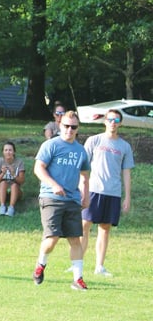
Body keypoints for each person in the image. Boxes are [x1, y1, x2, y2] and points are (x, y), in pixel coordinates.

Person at [32, 110, 91, 290]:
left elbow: (84, 176)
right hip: (51, 197)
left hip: (72, 199)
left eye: (73, 127)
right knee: (52, 238)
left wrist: (86, 195)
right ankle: (40, 265)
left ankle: (78, 279)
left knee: (75, 240)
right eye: (66, 126)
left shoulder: (81, 150)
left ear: (77, 128)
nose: (69, 130)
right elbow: (38, 168)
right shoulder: (51, 145)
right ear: (60, 125)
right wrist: (54, 185)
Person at [80, 109, 134, 276]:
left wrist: (127, 197)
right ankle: (77, 263)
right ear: (105, 121)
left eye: (116, 120)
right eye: (110, 119)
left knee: (105, 229)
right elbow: (83, 166)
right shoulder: (94, 140)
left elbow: (126, 172)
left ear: (120, 123)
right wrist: (82, 188)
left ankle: (100, 267)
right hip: (93, 190)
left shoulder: (124, 146)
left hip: (113, 193)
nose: (113, 123)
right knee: (84, 225)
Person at [0, 141, 26, 217]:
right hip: (0, 189)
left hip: (15, 190)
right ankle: (2, 206)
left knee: (14, 185)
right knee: (3, 183)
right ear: (3, 152)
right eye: (6, 150)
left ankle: (11, 207)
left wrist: (13, 174)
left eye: (10, 150)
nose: (8, 152)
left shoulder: (19, 162)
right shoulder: (0, 162)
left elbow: (21, 181)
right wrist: (2, 174)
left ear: (14, 152)